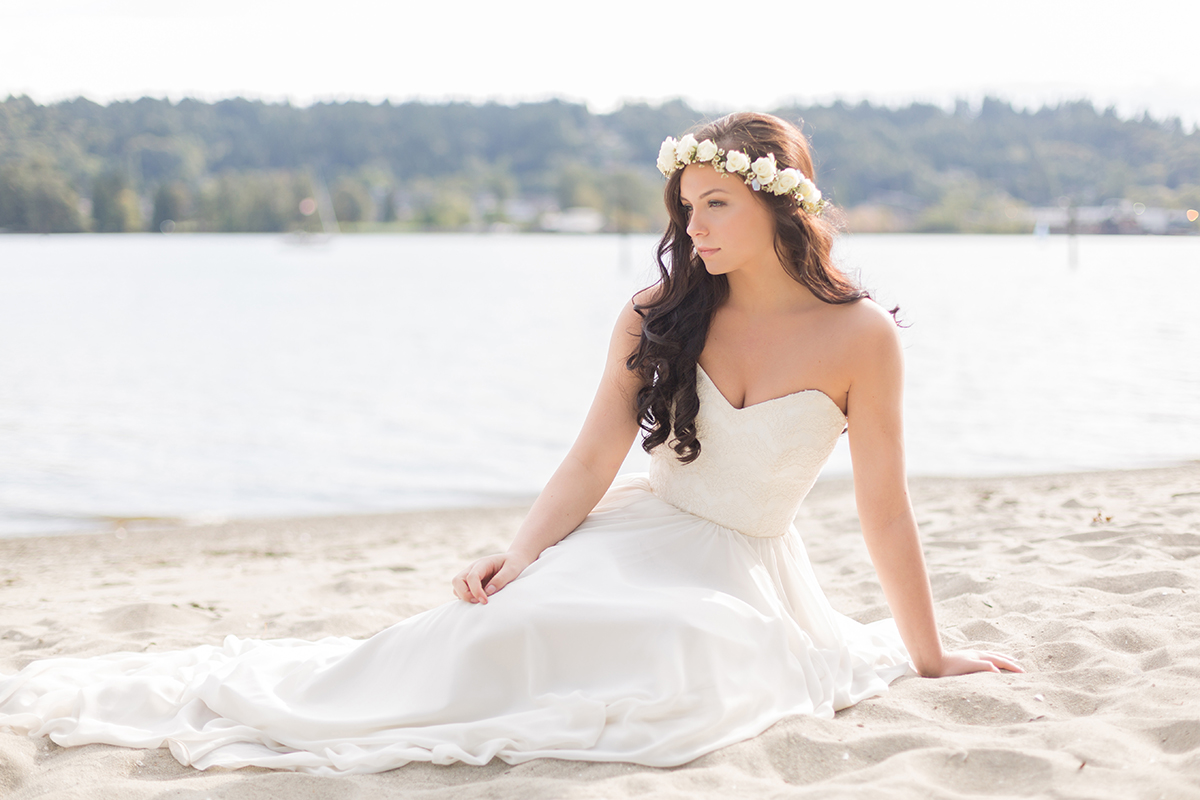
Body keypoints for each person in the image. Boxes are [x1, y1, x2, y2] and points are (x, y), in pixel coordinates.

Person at [0, 112, 1021, 776]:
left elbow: (885, 507)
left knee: (684, 652)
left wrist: (929, 655)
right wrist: (521, 550)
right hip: (638, 529)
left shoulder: (860, 337)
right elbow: (590, 461)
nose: (694, 226)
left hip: (748, 570)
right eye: (686, 208)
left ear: (777, 204)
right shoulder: (656, 312)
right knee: (507, 620)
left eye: (716, 204)